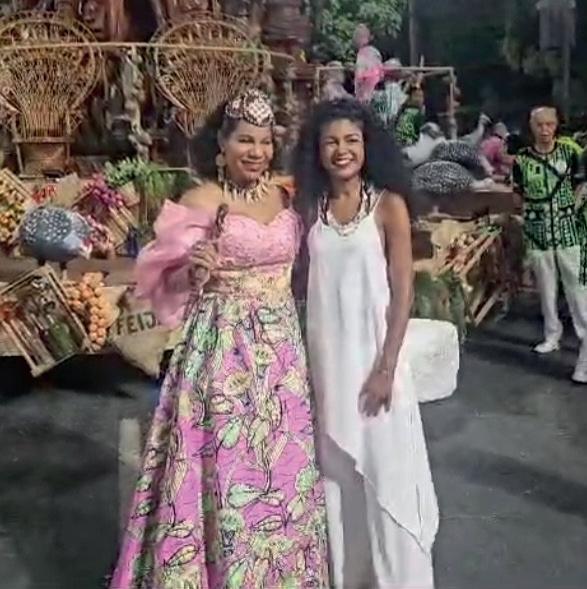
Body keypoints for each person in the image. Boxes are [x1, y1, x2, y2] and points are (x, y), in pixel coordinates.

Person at [109, 90, 330, 588]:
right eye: (245, 141)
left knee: (283, 471)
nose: (257, 151)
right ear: (221, 146)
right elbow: (159, 283)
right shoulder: (202, 202)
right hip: (223, 354)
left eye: (264, 142)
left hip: (283, 361)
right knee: (228, 470)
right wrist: (193, 271)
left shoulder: (288, 196)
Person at [294, 99, 450, 589]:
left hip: (376, 364)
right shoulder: (310, 210)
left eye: (351, 140)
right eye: (331, 142)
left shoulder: (388, 206)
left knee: (388, 473)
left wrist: (386, 367)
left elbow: (403, 292)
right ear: (317, 151)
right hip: (328, 365)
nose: (341, 150)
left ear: (367, 146)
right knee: (339, 478)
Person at [513, 106, 587, 382]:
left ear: (556, 126)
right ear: (532, 127)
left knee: (577, 287)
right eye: (539, 125)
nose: (545, 130)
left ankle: (583, 337)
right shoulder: (522, 160)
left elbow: (580, 185)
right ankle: (552, 334)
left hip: (567, 229)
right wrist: (531, 215)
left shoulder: (570, 153)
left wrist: (570, 209)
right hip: (538, 230)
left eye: (549, 124)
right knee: (545, 286)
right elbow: (518, 193)